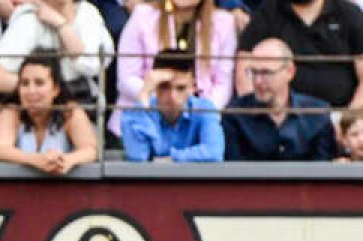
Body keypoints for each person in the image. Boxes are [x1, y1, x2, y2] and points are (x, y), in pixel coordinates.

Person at [111, 0, 235, 137]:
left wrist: (200, 113)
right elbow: (126, 79)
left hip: (197, 126)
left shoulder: (224, 22)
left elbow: (223, 85)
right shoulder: (142, 16)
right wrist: (166, 101)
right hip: (144, 123)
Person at [235, 0, 363, 111]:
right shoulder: (268, 12)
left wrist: (348, 120)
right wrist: (253, 117)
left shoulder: (349, 13)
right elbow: (244, 65)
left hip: (341, 116)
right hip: (280, 118)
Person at [0, 0, 114, 109]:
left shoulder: (87, 13)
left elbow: (92, 65)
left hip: (79, 101)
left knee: (77, 117)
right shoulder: (28, 20)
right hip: (32, 106)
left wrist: (61, 25)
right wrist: (37, 88)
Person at [223, 38, 336, 161]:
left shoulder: (317, 114)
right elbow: (235, 174)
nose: (257, 81)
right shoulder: (235, 115)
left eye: (266, 73)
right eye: (253, 72)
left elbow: (323, 172)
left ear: (289, 72)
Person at [0, 50, 98, 175]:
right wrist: (37, 160)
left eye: (39, 83)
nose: (31, 91)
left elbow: (90, 149)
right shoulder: (11, 111)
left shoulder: (70, 112)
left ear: (55, 89)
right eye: (25, 83)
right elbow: (1, 150)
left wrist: (67, 161)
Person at [121, 49, 224, 162]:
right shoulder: (135, 113)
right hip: (152, 180)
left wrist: (170, 159)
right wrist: (145, 92)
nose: (172, 97)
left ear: (193, 87)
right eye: (164, 87)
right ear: (154, 86)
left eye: (180, 88)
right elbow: (138, 158)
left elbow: (214, 153)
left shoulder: (204, 108)